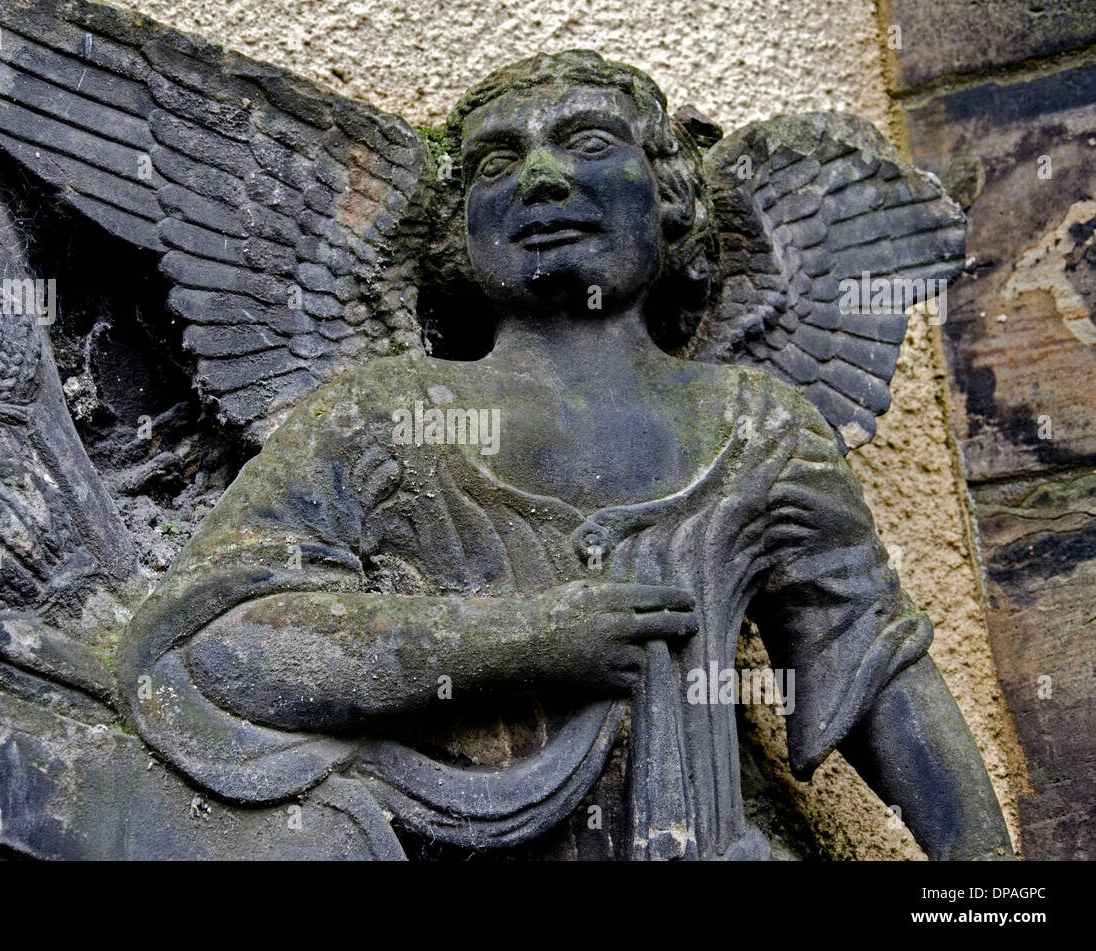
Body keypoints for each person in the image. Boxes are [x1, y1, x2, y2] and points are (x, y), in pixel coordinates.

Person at [118, 51, 1014, 861]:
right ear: (459, 230)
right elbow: (210, 649)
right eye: (497, 164)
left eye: (589, 143)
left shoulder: (761, 429)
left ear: (669, 196)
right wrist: (522, 642)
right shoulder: (382, 415)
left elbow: (871, 659)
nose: (542, 179)